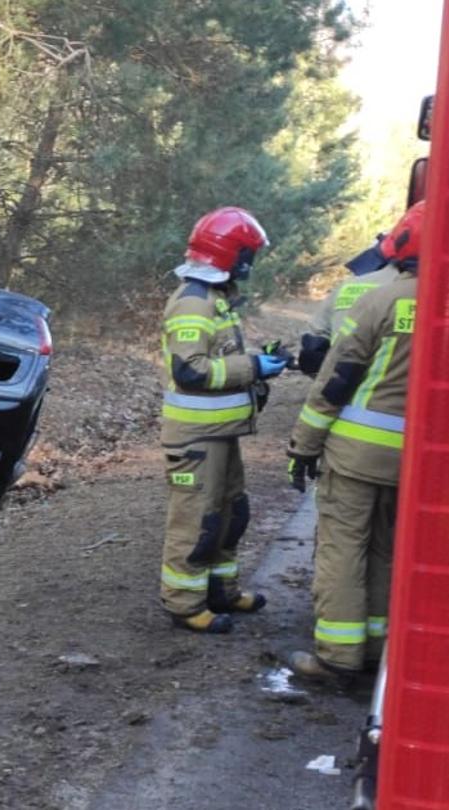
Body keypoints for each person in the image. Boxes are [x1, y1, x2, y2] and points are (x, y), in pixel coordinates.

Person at [284, 201, 425, 682]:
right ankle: (377, 649)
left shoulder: (377, 300)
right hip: (416, 461)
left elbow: (336, 381)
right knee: (386, 547)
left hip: (356, 454)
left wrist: (304, 445)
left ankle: (337, 656)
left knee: (343, 546)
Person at [157, 206, 289, 634]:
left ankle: (221, 591)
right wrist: (252, 367)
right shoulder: (193, 302)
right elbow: (192, 370)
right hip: (196, 439)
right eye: (248, 254)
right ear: (233, 254)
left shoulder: (215, 297)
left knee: (232, 514)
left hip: (220, 434)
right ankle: (184, 604)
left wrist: (260, 361)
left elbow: (220, 359)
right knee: (198, 521)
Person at [297, 231, 403, 377]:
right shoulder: (415, 289)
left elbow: (313, 345)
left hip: (339, 382)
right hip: (388, 386)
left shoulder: (347, 285)